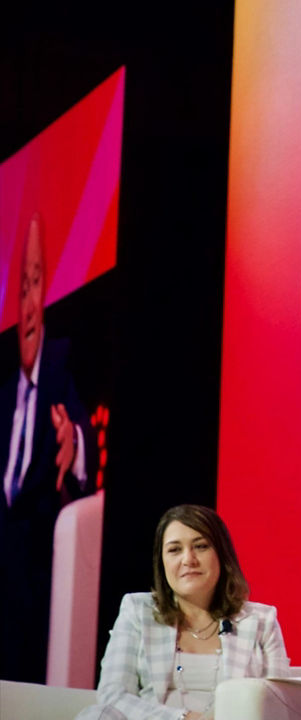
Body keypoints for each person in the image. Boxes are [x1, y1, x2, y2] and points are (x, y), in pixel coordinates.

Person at [0, 212, 98, 683]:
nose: (29, 302)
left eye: (36, 284)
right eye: (22, 287)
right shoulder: (2, 395)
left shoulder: (61, 365)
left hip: (38, 592)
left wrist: (73, 443)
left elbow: (80, 427)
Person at [76, 504, 290, 720]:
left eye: (201, 546)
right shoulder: (138, 611)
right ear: (162, 562)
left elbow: (279, 705)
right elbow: (114, 695)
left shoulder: (261, 621)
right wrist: (185, 718)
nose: (188, 559)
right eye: (174, 550)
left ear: (222, 555)